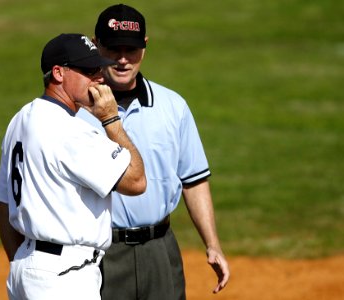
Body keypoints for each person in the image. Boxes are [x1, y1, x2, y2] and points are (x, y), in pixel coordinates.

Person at [77, 4, 230, 299]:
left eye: (131, 50)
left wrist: (213, 244)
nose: (123, 60)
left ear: (145, 47)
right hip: (98, 254)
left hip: (160, 251)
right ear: (95, 45)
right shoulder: (75, 112)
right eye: (113, 49)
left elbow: (194, 179)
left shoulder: (173, 106)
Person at [0, 33, 146, 300]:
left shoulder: (20, 119)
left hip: (27, 269)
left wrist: (26, 261)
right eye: (89, 71)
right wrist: (111, 119)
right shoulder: (70, 131)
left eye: (99, 68)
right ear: (58, 73)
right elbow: (136, 181)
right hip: (65, 277)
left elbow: (2, 201)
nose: (99, 77)